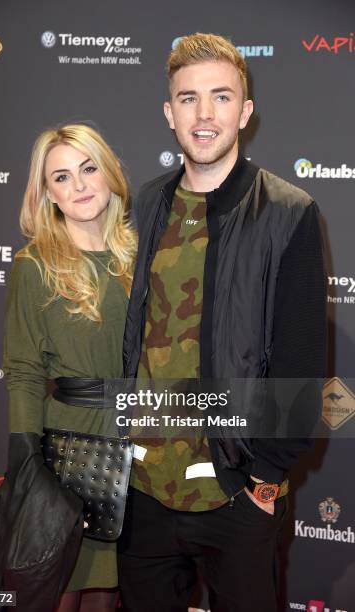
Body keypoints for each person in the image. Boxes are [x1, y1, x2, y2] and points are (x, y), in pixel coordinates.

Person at [118, 33, 327, 612]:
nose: (204, 114)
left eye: (220, 97)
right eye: (188, 99)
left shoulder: (288, 211)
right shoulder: (147, 204)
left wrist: (264, 480)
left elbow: (302, 359)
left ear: (245, 111)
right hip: (145, 492)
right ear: (169, 113)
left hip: (235, 495)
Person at [0, 124, 136, 612]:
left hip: (137, 456)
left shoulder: (140, 260)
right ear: (48, 193)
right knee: (56, 594)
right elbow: (22, 370)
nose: (78, 185)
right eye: (61, 177)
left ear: (109, 173)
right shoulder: (34, 265)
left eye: (87, 168)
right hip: (68, 461)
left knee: (111, 596)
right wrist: (26, 466)